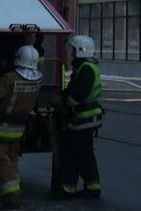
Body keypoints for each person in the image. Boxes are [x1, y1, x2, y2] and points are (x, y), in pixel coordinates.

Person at [0, 45, 43, 209]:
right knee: (11, 159)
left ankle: (12, 195)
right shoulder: (38, 79)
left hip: (2, 127)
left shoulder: (9, 78)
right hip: (19, 128)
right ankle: (9, 192)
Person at [54, 35, 102, 200]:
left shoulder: (86, 68)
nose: (70, 53)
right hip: (87, 118)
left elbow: (78, 95)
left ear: (80, 51)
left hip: (82, 119)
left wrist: (65, 103)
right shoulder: (86, 66)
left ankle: (67, 190)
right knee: (86, 154)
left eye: (72, 50)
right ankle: (93, 186)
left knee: (72, 154)